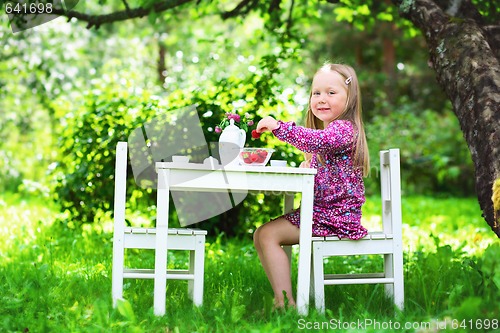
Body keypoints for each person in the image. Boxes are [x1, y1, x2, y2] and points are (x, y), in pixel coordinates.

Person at [253, 63, 370, 309]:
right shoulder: (333, 132)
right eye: (316, 93)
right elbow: (330, 177)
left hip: (335, 217)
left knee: (267, 234)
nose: (321, 99)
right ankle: (282, 300)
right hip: (324, 213)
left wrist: (278, 127)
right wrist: (312, 171)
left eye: (331, 93)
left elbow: (317, 139)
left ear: (350, 98)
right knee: (262, 234)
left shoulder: (344, 130)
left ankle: (285, 303)